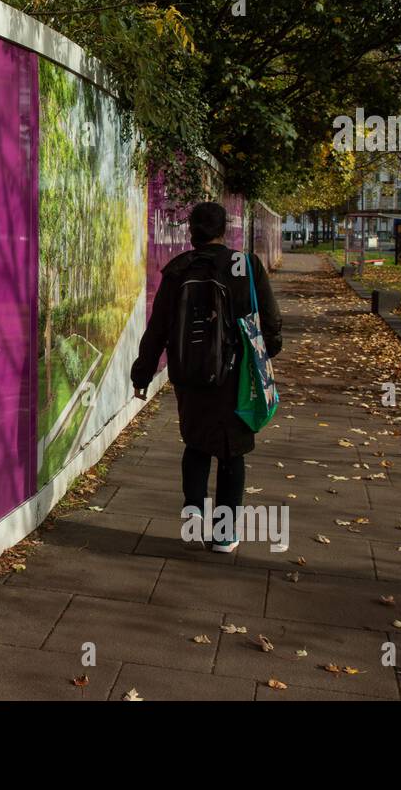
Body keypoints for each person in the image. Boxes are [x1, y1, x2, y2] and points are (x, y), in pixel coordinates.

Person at [130, 202, 283, 551]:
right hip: (236, 377)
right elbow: (270, 320)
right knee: (232, 451)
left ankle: (194, 508)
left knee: (196, 442)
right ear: (224, 231)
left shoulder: (179, 269)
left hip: (189, 375)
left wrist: (142, 373)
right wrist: (267, 353)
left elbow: (157, 329)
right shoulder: (245, 265)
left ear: (191, 232)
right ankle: (224, 535)